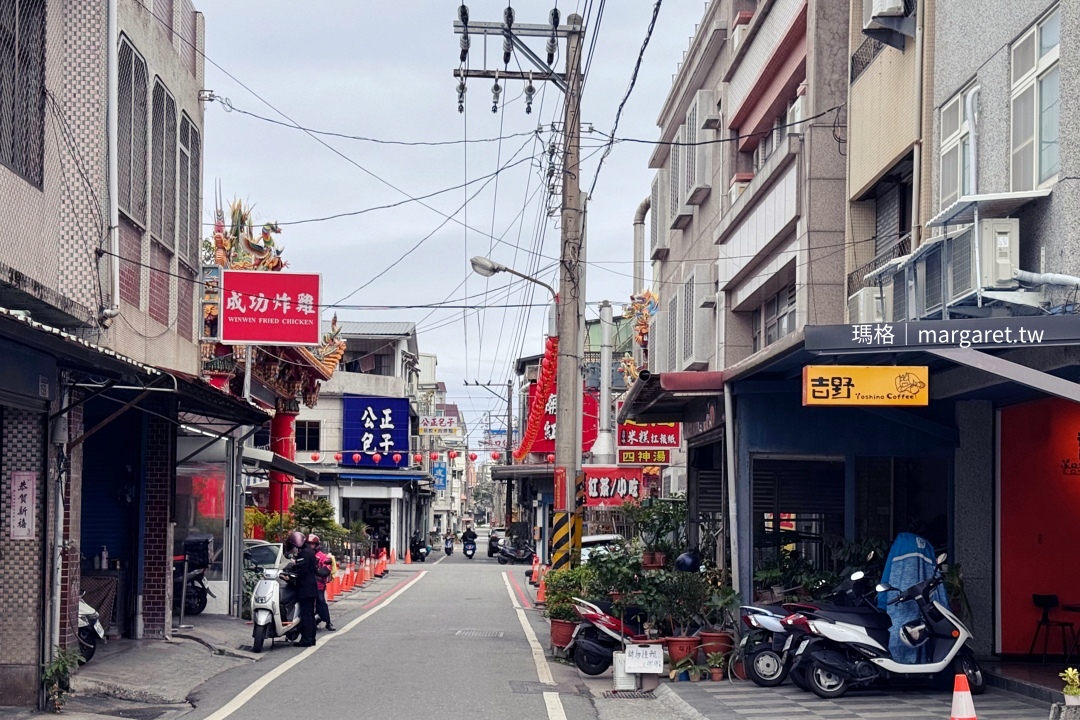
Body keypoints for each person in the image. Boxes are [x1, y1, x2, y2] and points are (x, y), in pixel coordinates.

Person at [286, 530, 319, 647]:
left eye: (293, 546)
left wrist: (290, 576)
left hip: (305, 588)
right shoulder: (309, 552)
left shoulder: (303, 554)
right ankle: (311, 639)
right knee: (309, 615)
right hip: (311, 588)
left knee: (306, 615)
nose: (293, 548)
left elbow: (302, 571)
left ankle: (307, 639)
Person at [308, 534, 336, 632]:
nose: (310, 546)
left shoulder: (322, 556)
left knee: (321, 601)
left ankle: (328, 622)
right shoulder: (304, 554)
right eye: (308, 544)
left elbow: (326, 569)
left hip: (318, 584)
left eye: (312, 544)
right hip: (306, 584)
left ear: (316, 545)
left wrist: (316, 571)